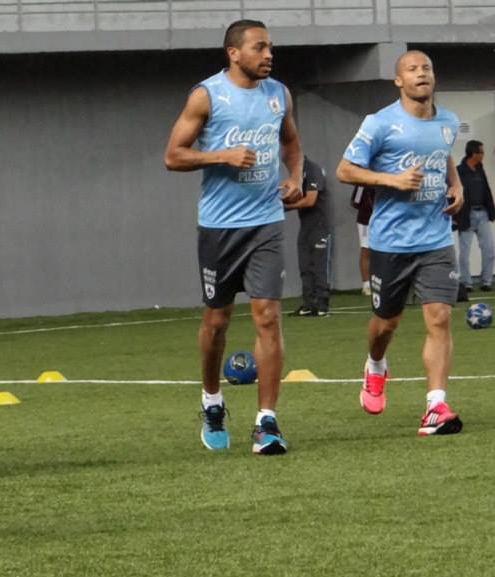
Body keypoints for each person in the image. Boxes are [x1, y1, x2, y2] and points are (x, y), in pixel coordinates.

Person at [164, 19, 303, 455]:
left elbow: (291, 143)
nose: (268, 55)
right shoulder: (206, 95)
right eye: (259, 47)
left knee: (268, 316)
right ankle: (212, 401)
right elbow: (173, 156)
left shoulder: (279, 94)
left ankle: (266, 422)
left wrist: (295, 176)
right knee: (217, 321)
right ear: (234, 53)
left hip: (267, 222)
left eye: (270, 47)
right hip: (220, 228)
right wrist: (221, 155)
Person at [335, 50, 463, 436]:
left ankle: (435, 406)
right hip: (390, 241)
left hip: (436, 237)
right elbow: (345, 170)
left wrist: (455, 184)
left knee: (439, 317)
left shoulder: (448, 121)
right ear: (398, 80)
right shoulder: (379, 123)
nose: (421, 73)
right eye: (412, 69)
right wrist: (391, 180)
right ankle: (376, 365)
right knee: (386, 323)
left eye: (427, 68)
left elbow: (442, 154)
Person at [285, 155, 331, 316]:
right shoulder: (297, 173)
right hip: (306, 226)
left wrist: (284, 207)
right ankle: (308, 304)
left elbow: (310, 200)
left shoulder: (312, 169)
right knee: (305, 266)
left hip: (319, 227)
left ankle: (322, 305)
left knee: (318, 266)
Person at [454, 140, 495, 292]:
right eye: (481, 152)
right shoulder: (459, 170)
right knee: (464, 252)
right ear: (473, 153)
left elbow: (486, 190)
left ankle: (486, 281)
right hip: (466, 215)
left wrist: (491, 211)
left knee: (489, 250)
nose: (483, 155)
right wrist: (455, 217)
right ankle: (466, 283)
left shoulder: (479, 169)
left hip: (482, 213)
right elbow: (454, 193)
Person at [351, 185, 375, 295]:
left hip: (382, 220)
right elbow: (355, 202)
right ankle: (366, 285)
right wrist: (368, 207)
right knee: (366, 250)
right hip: (366, 221)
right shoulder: (362, 183)